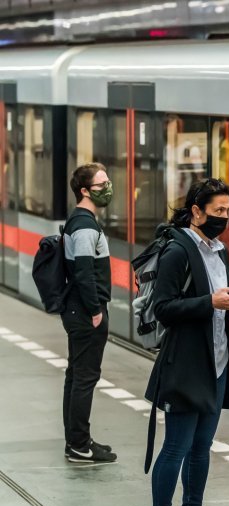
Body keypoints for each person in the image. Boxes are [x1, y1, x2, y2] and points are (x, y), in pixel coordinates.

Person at [144, 178, 229, 506]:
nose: (224, 218)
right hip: (187, 363)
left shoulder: (220, 251)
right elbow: (164, 309)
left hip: (217, 361)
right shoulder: (178, 251)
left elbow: (218, 297)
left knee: (202, 447)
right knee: (176, 446)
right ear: (196, 211)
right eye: (218, 211)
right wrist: (210, 302)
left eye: (228, 211)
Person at [62, 163, 116, 463]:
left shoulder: (84, 220)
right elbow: (84, 271)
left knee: (76, 376)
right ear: (85, 190)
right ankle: (79, 445)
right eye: (101, 184)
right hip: (85, 313)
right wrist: (96, 310)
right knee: (84, 377)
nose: (108, 188)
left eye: (108, 181)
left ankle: (77, 440)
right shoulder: (84, 225)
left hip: (78, 310)